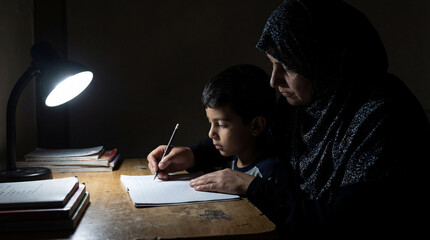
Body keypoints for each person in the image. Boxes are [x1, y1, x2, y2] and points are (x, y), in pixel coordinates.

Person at [148, 0, 430, 237]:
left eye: (288, 67)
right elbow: (255, 135)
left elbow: (344, 222)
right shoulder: (306, 104)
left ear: (327, 61)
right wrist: (193, 155)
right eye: (273, 64)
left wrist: (252, 187)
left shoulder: (384, 119)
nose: (274, 81)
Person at [198, 64, 280, 181]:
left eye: (221, 125)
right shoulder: (231, 157)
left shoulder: (270, 173)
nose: (211, 134)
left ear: (256, 126)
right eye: (210, 122)